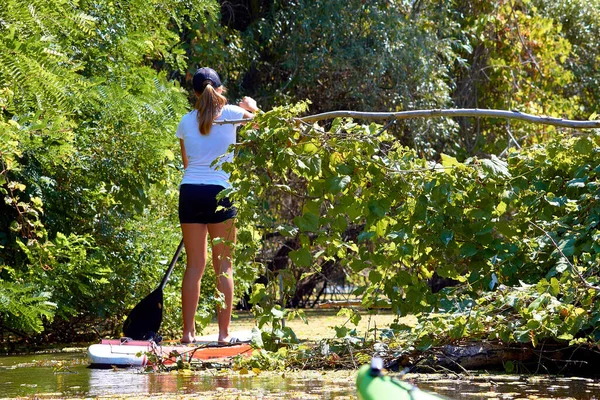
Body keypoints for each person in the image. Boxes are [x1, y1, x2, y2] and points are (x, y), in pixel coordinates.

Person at [176, 67, 258, 344]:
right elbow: (266, 126)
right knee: (224, 266)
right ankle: (224, 335)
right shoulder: (234, 114)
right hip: (220, 193)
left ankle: (188, 334)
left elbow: (188, 164)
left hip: (190, 193)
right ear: (219, 89)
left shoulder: (186, 121)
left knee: (194, 266)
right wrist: (253, 108)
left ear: (195, 93)